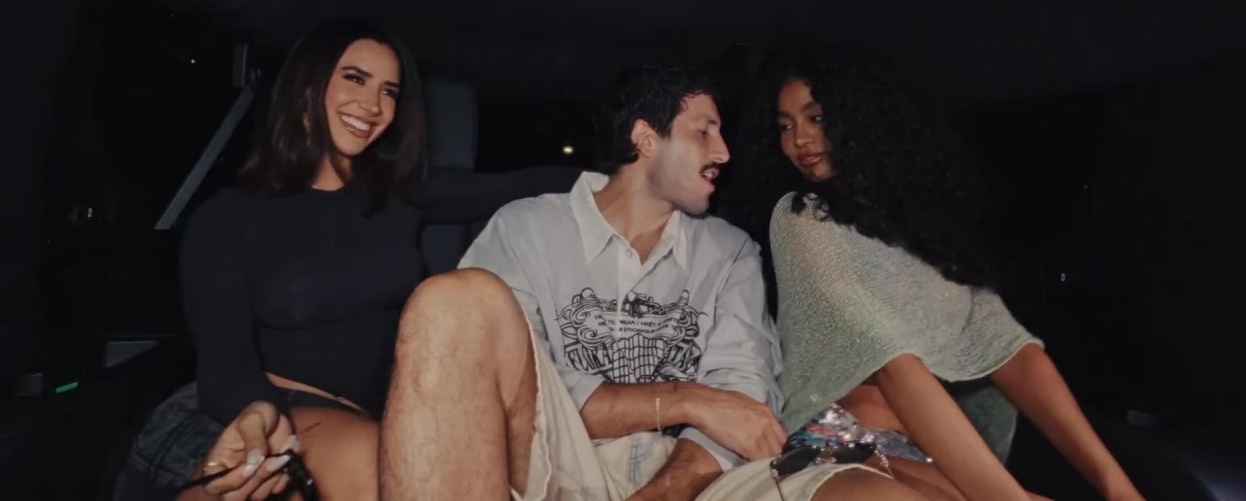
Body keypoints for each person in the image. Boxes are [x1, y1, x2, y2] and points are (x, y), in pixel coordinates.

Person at [378, 67, 922, 501]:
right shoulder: (526, 229)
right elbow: (522, 391)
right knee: (450, 300)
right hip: (558, 458)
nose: (723, 153)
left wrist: (664, 492)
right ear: (645, 139)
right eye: (704, 131)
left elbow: (742, 398)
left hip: (695, 471)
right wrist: (688, 399)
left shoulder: (729, 251)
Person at [114, 18, 578, 500]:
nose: (373, 106)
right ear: (306, 85)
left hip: (363, 420)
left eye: (389, 92)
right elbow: (223, 364)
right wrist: (258, 411)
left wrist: (617, 178)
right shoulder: (230, 216)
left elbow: (523, 184)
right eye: (355, 78)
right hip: (246, 410)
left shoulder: (400, 200)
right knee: (382, 469)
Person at [724, 49, 1144, 501]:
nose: (799, 140)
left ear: (863, 120)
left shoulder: (924, 232)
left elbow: (1008, 348)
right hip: (834, 444)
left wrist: (1115, 485)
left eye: (816, 118)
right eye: (785, 126)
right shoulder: (801, 218)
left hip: (916, 452)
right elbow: (885, 357)